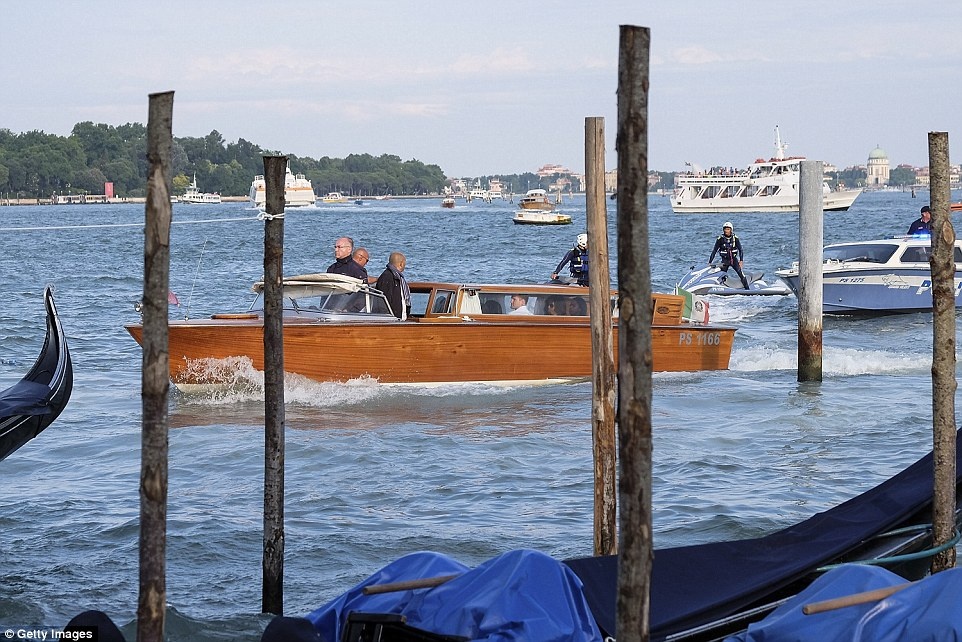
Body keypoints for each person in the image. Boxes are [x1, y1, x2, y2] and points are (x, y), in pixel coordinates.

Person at [708, 221, 750, 290]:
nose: (726, 231)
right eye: (725, 229)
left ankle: (748, 290)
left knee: (741, 274)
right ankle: (718, 290)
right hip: (725, 261)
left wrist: (741, 260)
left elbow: (740, 249)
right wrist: (710, 262)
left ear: (731, 230)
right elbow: (714, 251)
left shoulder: (735, 238)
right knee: (721, 275)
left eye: (728, 229)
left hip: (733, 260)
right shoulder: (720, 239)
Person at [375, 252, 410, 319]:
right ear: (401, 263)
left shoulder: (398, 278)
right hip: (392, 319)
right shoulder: (388, 277)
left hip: (399, 318)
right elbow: (384, 301)